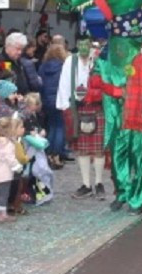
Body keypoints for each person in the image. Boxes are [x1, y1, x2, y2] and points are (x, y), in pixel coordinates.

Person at [58, 38, 106, 199]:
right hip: (77, 107)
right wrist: (65, 106)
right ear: (77, 46)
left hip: (98, 106)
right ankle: (86, 185)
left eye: (88, 45)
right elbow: (64, 83)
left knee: (99, 149)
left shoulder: (99, 59)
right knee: (82, 149)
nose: (85, 49)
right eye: (81, 45)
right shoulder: (70, 61)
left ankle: (99, 183)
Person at [0, 115, 24, 223]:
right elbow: (10, 158)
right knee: (4, 194)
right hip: (4, 172)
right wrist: (18, 167)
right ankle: (3, 214)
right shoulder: (9, 144)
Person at [38, 43, 68, 167]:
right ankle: (56, 155)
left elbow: (39, 82)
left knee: (51, 126)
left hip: (46, 100)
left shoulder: (43, 66)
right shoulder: (64, 66)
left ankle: (48, 153)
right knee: (60, 127)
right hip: (60, 99)